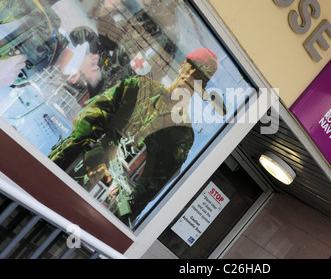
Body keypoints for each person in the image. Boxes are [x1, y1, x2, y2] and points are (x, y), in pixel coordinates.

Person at [48, 48, 219, 222]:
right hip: (75, 171)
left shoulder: (183, 133)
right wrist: (90, 156)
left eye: (198, 74)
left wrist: (125, 201)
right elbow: (90, 119)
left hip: (107, 203)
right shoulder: (139, 87)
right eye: (190, 67)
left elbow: (154, 184)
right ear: (183, 65)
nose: (189, 75)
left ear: (202, 85)